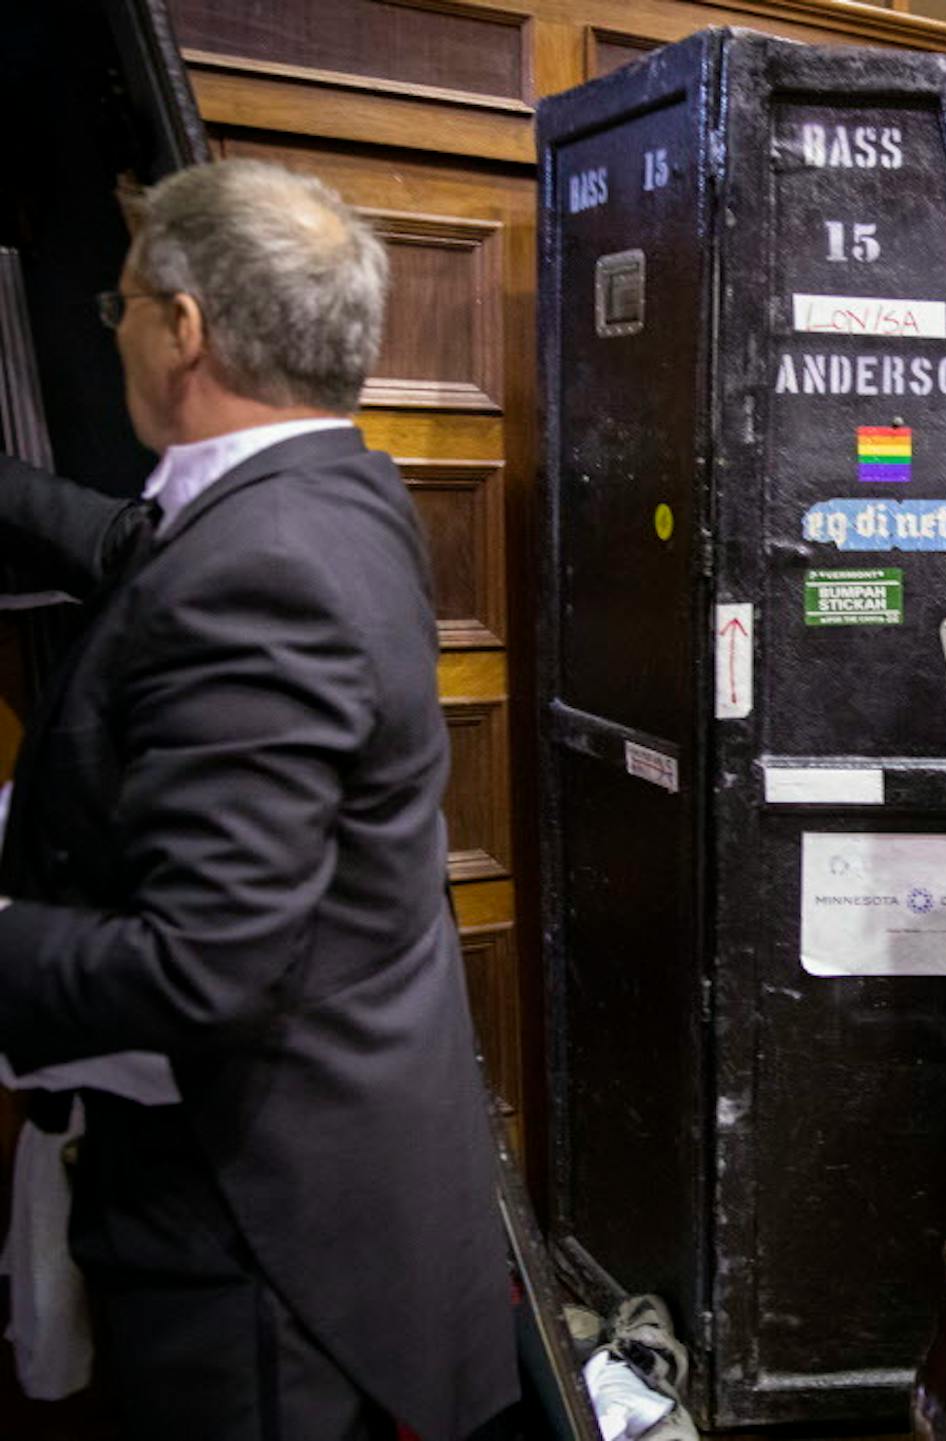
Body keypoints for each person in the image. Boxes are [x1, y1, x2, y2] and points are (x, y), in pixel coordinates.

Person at [0, 159, 516, 1437]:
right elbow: (142, 544)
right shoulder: (335, 485)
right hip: (316, 1172)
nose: (112, 327)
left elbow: (200, 968)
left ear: (184, 328)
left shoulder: (267, 559)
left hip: (257, 1235)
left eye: (120, 303)